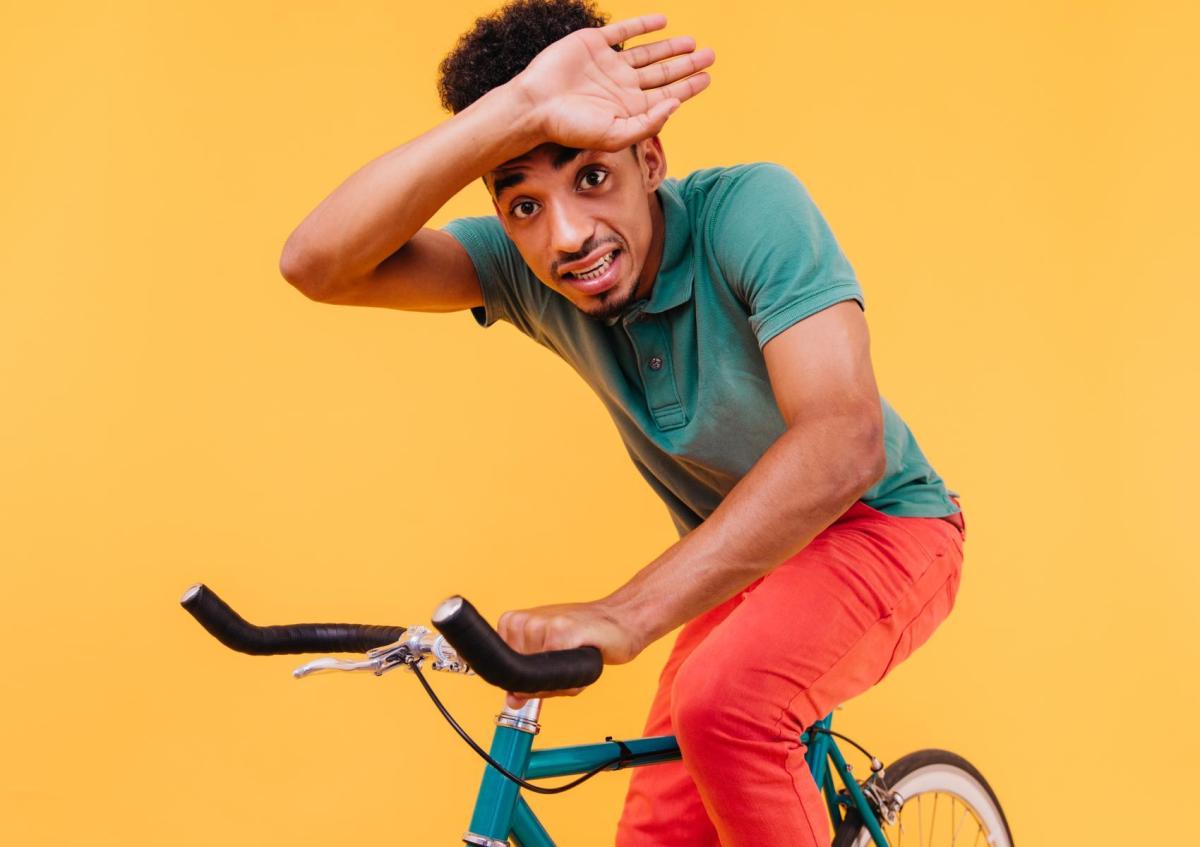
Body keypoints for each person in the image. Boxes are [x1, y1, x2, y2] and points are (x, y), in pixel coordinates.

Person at [278, 2, 966, 844]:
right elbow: (318, 264)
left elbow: (842, 440)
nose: (566, 235)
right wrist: (513, 114)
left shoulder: (750, 210)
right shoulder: (521, 272)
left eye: (591, 178)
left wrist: (627, 613)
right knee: (655, 828)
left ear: (650, 157)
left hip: (885, 529)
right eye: (521, 202)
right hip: (744, 562)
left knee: (725, 706)